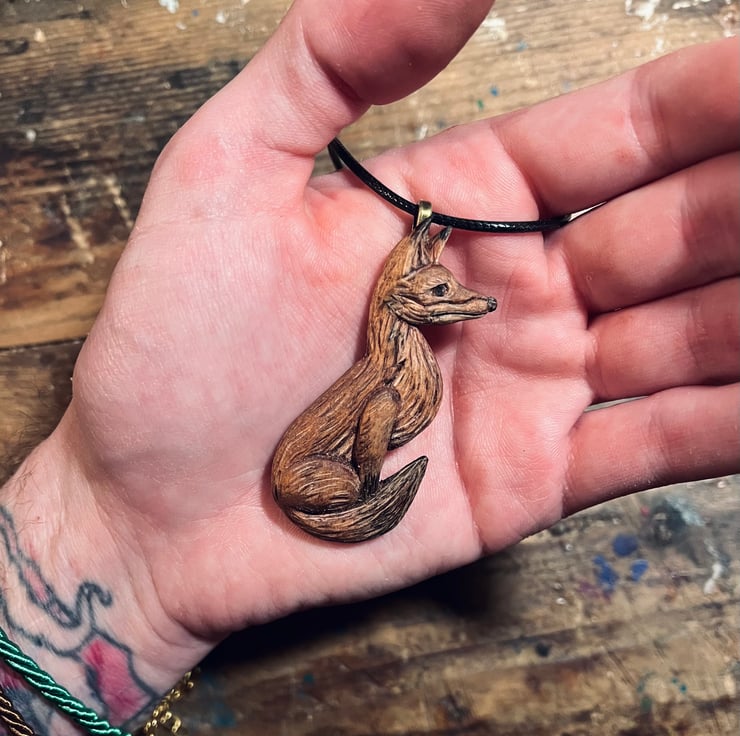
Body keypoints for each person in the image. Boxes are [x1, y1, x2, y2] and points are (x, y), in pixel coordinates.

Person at [1, 0, 737, 732]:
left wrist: (123, 568)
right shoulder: (386, 380)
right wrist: (365, 481)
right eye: (441, 295)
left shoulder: (401, 343)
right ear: (408, 299)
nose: (465, 303)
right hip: (315, 480)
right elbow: (379, 418)